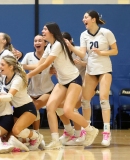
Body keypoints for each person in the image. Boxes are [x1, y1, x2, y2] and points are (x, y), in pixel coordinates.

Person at [27, 22, 99, 150]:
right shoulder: (49, 46)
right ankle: (55, 140)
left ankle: (90, 130)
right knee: (50, 107)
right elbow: (40, 64)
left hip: (73, 80)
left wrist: (28, 75)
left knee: (68, 110)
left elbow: (45, 65)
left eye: (45, 29)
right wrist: (24, 70)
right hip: (62, 82)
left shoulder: (58, 44)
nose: (42, 31)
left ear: (52, 32)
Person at [65, 10, 118, 146]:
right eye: (83, 18)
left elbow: (115, 50)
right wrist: (70, 46)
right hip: (91, 70)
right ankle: (85, 131)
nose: (83, 20)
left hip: (105, 69)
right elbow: (82, 53)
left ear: (93, 19)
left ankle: (106, 133)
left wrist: (101, 52)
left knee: (103, 99)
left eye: (86, 17)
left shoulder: (106, 32)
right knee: (85, 100)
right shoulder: (83, 35)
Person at [0, 55, 43, 151]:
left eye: (2, 65)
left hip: (28, 109)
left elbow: (9, 97)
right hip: (17, 110)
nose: (0, 67)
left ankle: (37, 136)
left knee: (16, 130)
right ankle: (28, 139)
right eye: (0, 64)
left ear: (10, 67)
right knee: (9, 139)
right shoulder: (4, 77)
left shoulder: (17, 79)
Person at [21, 34, 54, 148]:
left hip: (47, 90)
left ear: (45, 43)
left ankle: (36, 134)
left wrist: (51, 69)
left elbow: (54, 68)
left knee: (34, 108)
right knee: (32, 109)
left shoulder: (50, 56)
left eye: (40, 40)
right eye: (35, 41)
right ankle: (36, 136)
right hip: (31, 91)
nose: (37, 43)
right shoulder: (29, 55)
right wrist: (40, 66)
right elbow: (21, 66)